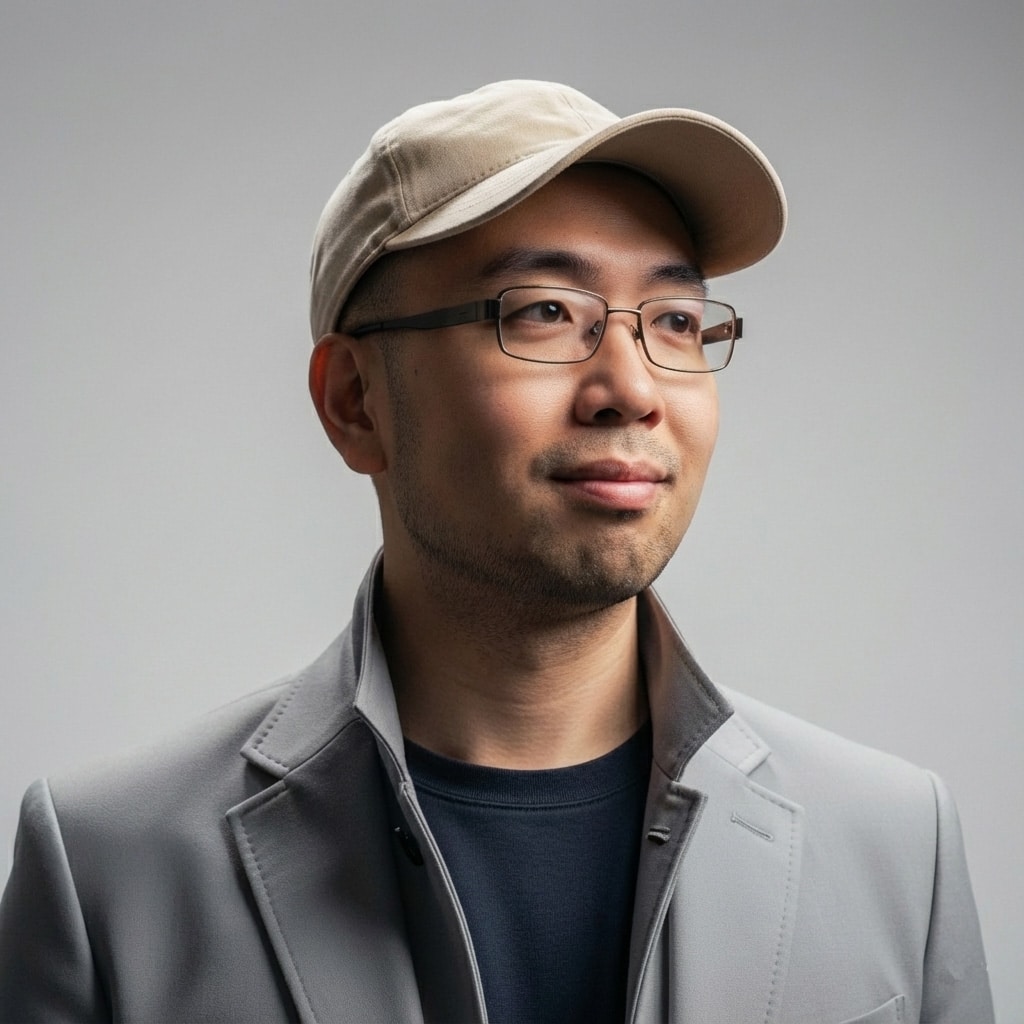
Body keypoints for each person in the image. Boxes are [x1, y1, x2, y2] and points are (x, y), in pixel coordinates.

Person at [0, 80, 993, 1024]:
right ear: (355, 402)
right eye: (543, 312)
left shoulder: (896, 845)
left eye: (676, 322)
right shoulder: (110, 871)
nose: (631, 388)